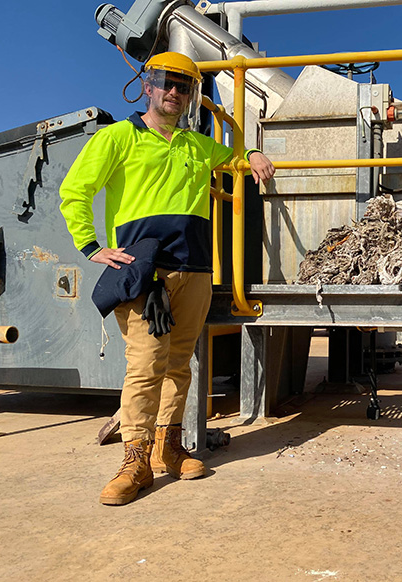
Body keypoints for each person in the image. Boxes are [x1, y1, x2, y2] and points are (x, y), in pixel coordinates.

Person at [59, 52, 275, 506]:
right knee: (144, 367)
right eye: (166, 82)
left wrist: (252, 152)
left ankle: (168, 447)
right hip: (145, 273)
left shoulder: (197, 145)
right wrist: (91, 247)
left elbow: (234, 153)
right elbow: (75, 191)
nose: (174, 92)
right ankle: (133, 460)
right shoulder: (119, 137)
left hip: (194, 270)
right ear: (147, 85)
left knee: (181, 364)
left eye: (184, 86)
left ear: (191, 94)